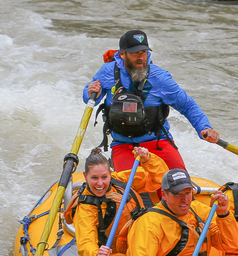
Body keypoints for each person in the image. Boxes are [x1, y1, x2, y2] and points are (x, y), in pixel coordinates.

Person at [84, 30, 220, 174]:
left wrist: (203, 128)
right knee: (134, 190)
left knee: (180, 185)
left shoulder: (160, 77)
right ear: (122, 54)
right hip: (123, 145)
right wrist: (90, 92)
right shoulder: (107, 72)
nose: (141, 57)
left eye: (143, 52)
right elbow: (90, 98)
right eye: (135, 53)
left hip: (157, 143)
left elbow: (187, 106)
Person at [65, 147, 165, 256]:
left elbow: (159, 178)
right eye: (94, 178)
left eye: (104, 177)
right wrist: (96, 255)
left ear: (110, 174)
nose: (100, 184)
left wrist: (148, 159)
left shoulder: (122, 181)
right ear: (85, 176)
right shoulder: (85, 209)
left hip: (144, 247)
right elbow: (86, 243)